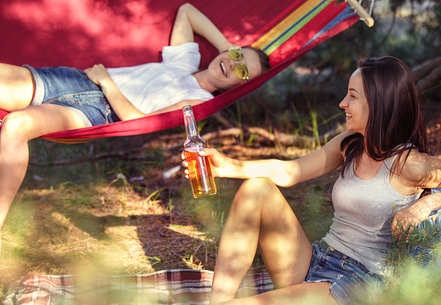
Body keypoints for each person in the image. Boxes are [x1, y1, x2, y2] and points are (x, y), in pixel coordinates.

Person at [182, 56, 441, 305]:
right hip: (318, 261)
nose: (342, 103)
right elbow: (289, 171)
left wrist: (423, 205)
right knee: (256, 189)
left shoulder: (410, 164)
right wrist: (228, 165)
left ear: (380, 104)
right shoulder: (350, 145)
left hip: (359, 285)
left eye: (353, 96)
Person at [0, 3, 270, 231]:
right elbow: (187, 11)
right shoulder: (183, 62)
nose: (233, 65)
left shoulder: (198, 101)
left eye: (242, 71)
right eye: (236, 56)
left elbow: (140, 118)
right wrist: (227, 44)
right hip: (74, 79)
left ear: (239, 86)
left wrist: (107, 83)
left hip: (96, 109)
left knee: (16, 125)